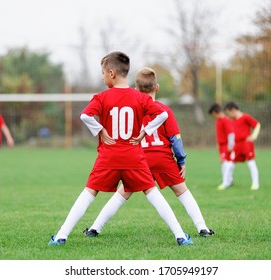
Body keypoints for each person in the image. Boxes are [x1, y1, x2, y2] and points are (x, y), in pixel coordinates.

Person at [48, 52, 192, 246]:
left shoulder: (101, 97)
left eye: (103, 73)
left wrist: (100, 130)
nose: (102, 77)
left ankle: (61, 236)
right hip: (134, 157)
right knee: (153, 193)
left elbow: (85, 116)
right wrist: (145, 131)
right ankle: (180, 236)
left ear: (112, 73)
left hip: (109, 156)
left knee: (89, 193)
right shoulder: (139, 98)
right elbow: (162, 115)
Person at [84, 67, 214, 238]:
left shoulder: (134, 107)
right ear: (157, 87)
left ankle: (95, 228)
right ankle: (202, 228)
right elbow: (175, 138)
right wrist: (181, 160)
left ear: (136, 89)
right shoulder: (164, 110)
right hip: (162, 158)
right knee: (182, 191)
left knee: (122, 193)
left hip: (139, 159)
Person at [224, 101, 261, 190]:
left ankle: (255, 184)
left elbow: (257, 125)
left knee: (251, 163)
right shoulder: (232, 120)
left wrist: (253, 136)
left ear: (232, 110)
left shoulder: (245, 117)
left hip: (246, 144)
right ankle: (226, 183)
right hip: (237, 145)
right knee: (230, 163)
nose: (228, 115)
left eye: (228, 113)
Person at [208, 103, 235, 190]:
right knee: (224, 163)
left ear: (216, 112)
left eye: (213, 115)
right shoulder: (218, 121)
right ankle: (229, 180)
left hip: (226, 145)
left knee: (225, 163)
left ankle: (226, 182)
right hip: (221, 145)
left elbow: (231, 133)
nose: (213, 117)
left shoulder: (225, 120)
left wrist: (230, 145)